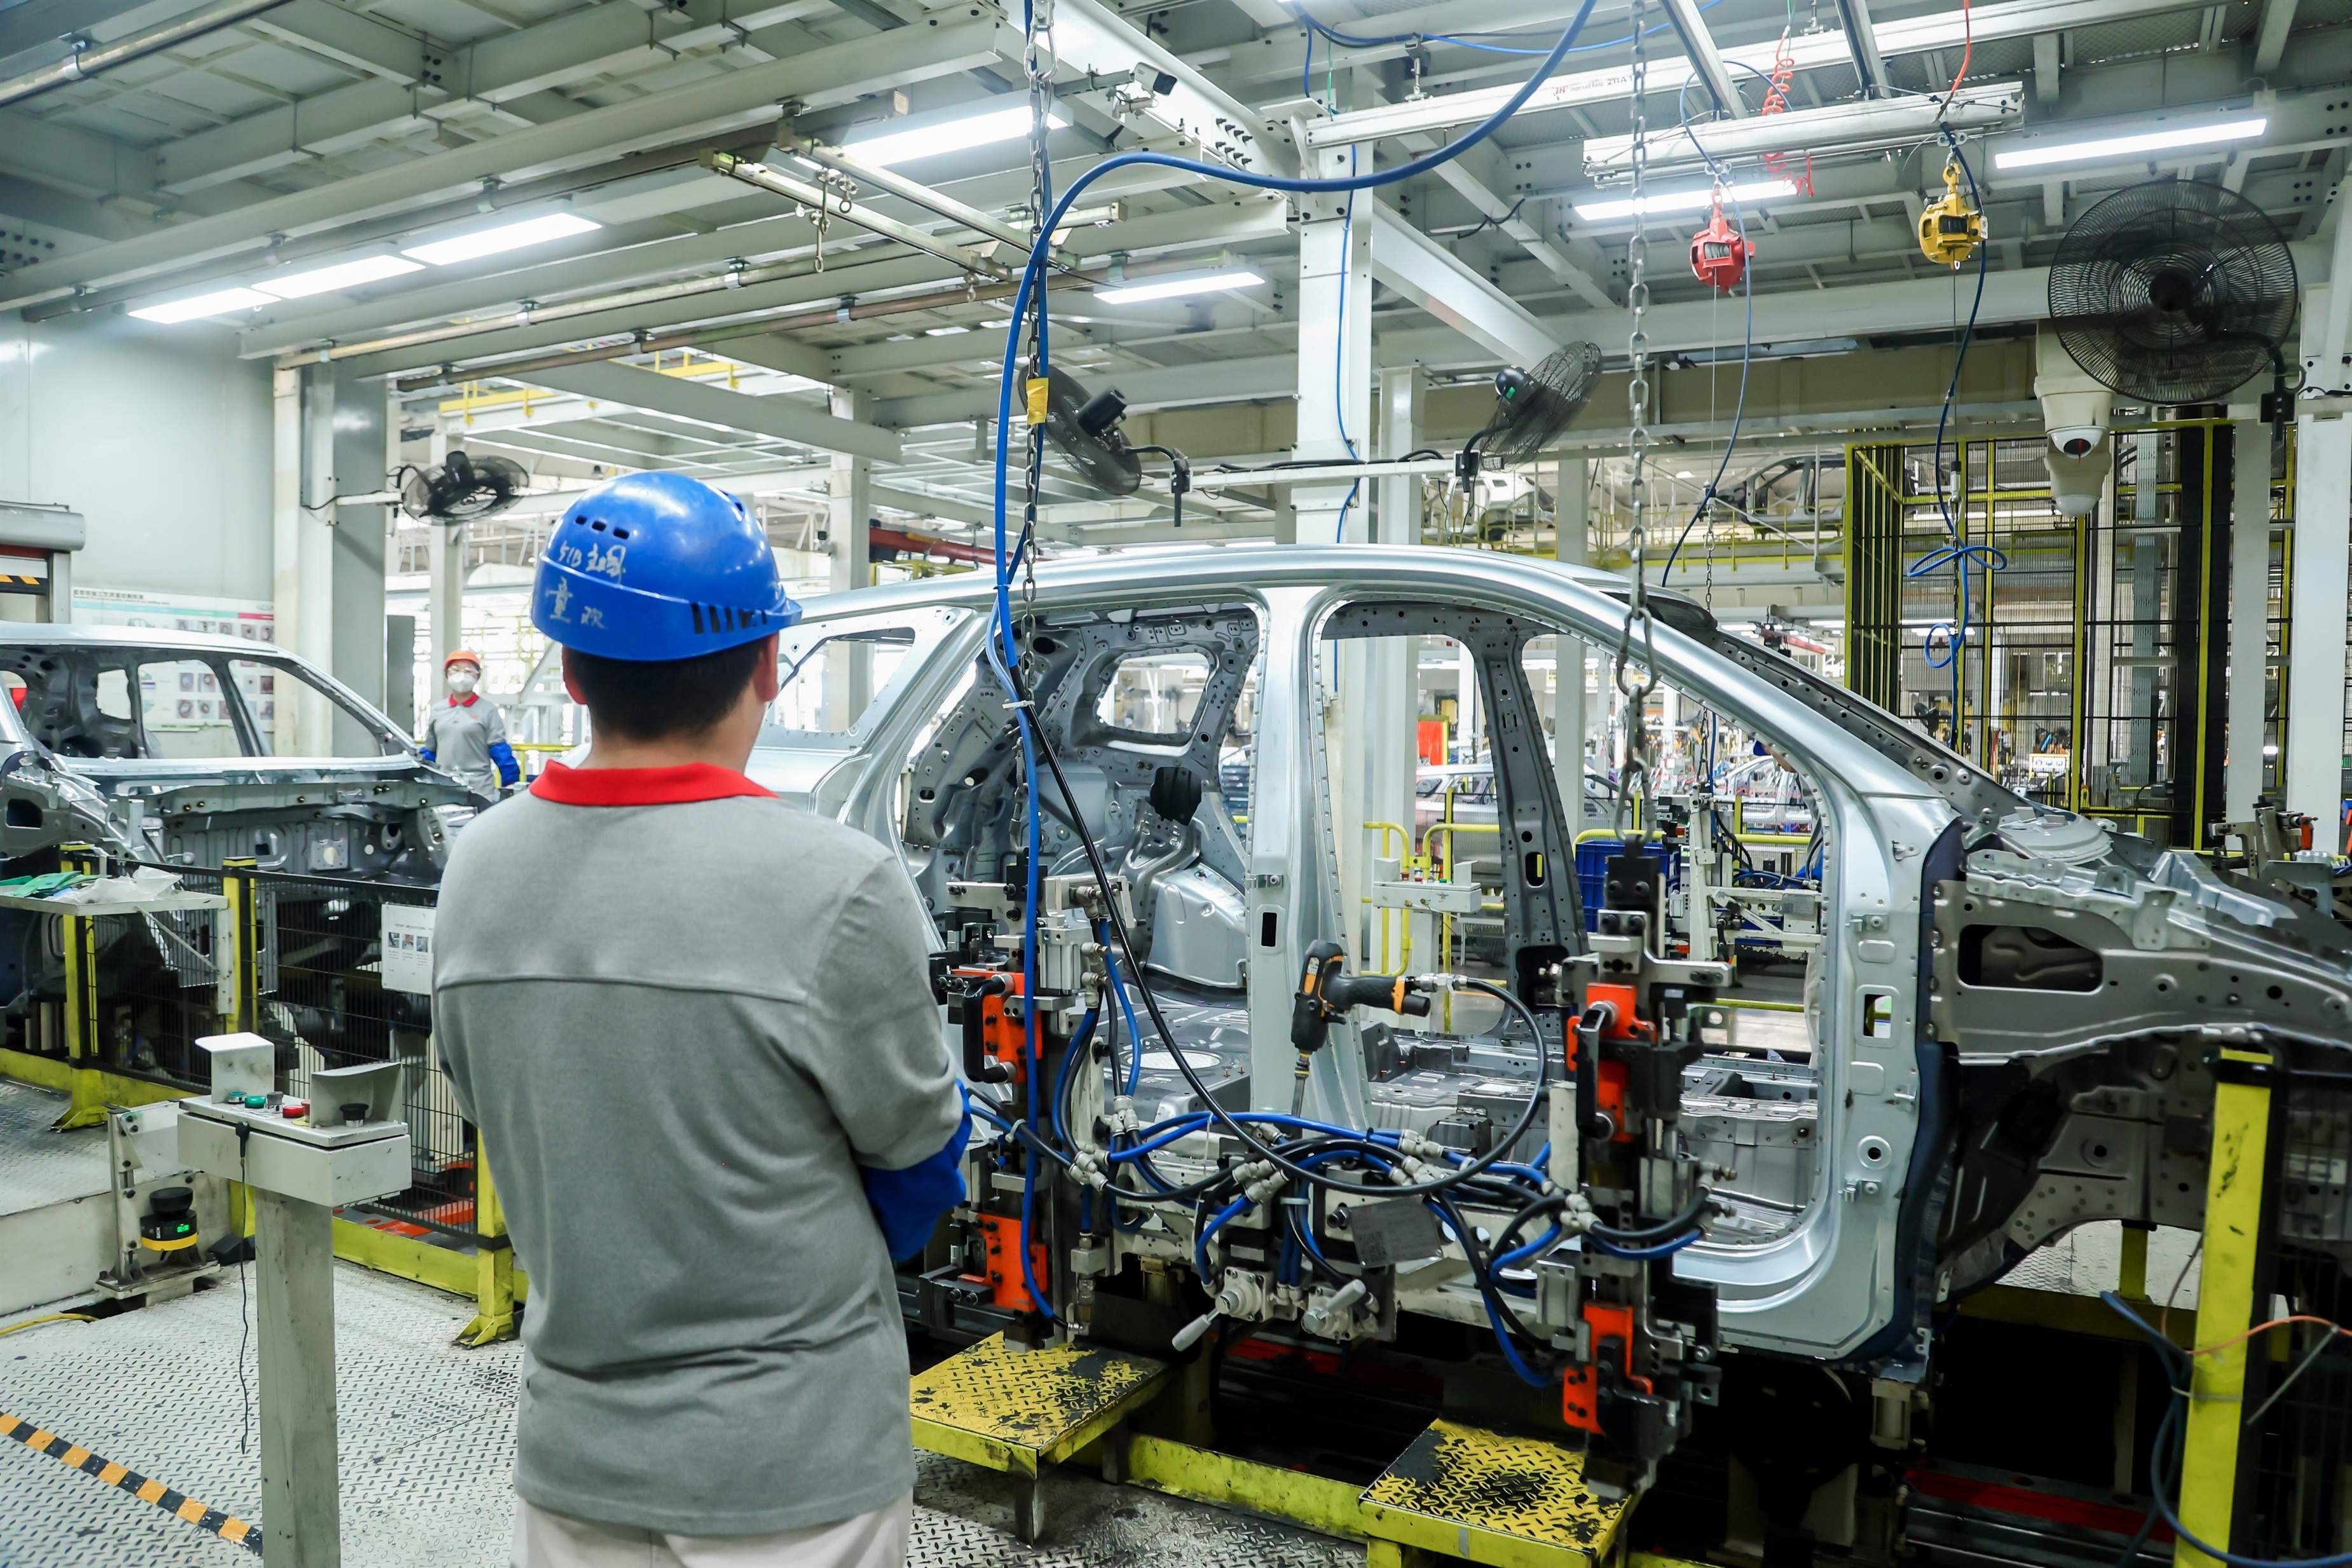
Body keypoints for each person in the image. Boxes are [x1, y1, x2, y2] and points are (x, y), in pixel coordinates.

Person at [432, 471, 969, 1568]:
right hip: (796, 1476)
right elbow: (921, 1174)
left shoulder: (476, 870)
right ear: (769, 663)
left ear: (571, 674)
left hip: (575, 1464)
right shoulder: (841, 884)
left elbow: (496, 1105)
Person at [419, 650, 521, 797]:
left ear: (478, 675)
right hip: (444, 786)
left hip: (480, 788)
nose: (462, 675)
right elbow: (430, 751)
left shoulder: (488, 710)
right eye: (455, 670)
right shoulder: (437, 710)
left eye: (468, 671)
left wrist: (511, 782)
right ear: (447, 674)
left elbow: (499, 749)